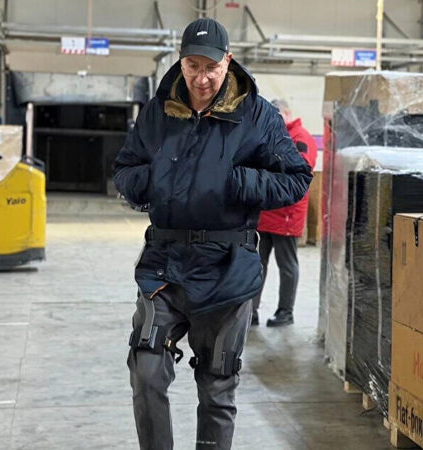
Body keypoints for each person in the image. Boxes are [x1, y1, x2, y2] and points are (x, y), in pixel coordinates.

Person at [113, 18, 312, 450]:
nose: (201, 79)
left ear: (228, 61)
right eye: (192, 66)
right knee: (146, 371)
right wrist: (151, 182)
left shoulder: (257, 115)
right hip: (165, 264)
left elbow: (297, 179)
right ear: (180, 61)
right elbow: (125, 169)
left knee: (217, 386)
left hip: (227, 267)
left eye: (211, 68)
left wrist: (237, 182)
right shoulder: (159, 111)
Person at [252, 100, 318, 327]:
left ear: (288, 113)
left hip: (287, 214)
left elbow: (301, 169)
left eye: (279, 114)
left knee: (287, 265)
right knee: (256, 264)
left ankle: (286, 312)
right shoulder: (268, 135)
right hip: (266, 212)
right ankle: (251, 310)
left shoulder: (300, 137)